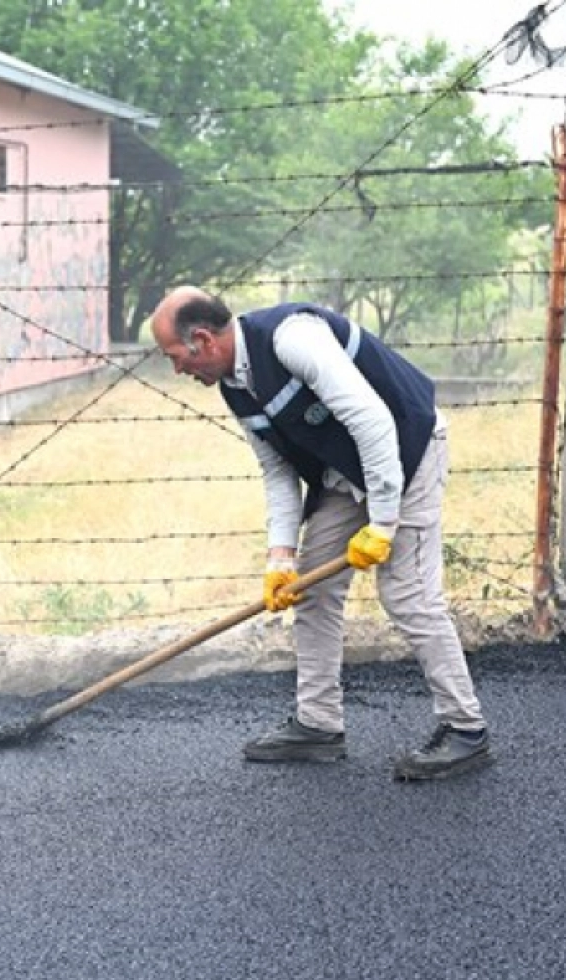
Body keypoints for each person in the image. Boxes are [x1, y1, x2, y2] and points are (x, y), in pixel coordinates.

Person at [148, 286, 491, 781]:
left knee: (407, 594)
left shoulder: (293, 339)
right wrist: (280, 559)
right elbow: (278, 472)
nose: (176, 369)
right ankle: (319, 725)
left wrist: (384, 523)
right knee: (311, 588)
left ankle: (466, 730)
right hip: (343, 472)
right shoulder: (235, 386)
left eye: (174, 357)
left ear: (202, 339)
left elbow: (372, 422)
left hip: (407, 453)